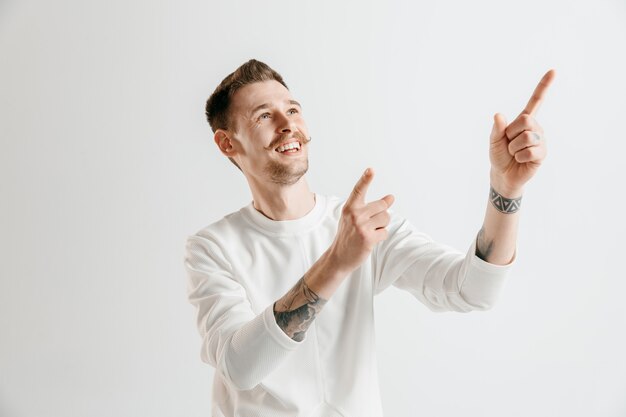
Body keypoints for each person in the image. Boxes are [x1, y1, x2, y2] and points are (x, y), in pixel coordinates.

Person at [184, 59, 555, 417]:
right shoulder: (213, 248)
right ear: (227, 144)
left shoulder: (361, 225)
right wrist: (336, 262)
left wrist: (506, 190)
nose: (287, 124)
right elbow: (240, 367)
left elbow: (474, 291)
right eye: (264, 115)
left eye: (293, 110)